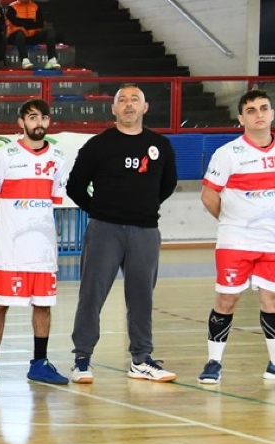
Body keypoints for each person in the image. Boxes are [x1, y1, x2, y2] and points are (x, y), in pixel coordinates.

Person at [197, 90, 275, 384]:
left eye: (264, 108)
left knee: (274, 299)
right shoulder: (228, 153)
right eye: (251, 110)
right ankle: (213, 362)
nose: (259, 114)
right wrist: (232, 222)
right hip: (235, 240)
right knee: (227, 300)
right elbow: (208, 196)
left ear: (272, 113)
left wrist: (268, 218)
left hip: (274, 241)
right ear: (241, 118)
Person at [65, 84, 179, 384]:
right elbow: (74, 186)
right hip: (105, 231)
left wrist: (143, 208)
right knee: (92, 295)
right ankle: (82, 359)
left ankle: (141, 359)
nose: (129, 105)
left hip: (145, 232)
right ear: (114, 109)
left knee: (141, 297)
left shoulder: (160, 145)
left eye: (135, 100)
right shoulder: (98, 145)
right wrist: (101, 210)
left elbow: (168, 184)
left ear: (145, 107)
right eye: (123, 100)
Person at [0, 99, 72, 386]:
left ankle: (39, 363)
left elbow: (52, 201)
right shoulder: (3, 155)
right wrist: (10, 222)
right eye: (32, 117)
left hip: (42, 248)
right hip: (9, 248)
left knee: (43, 305)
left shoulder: (58, 158)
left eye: (43, 117)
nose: (38, 123)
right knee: (0, 304)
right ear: (21, 122)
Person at [5, 0, 60, 70]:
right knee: (19, 32)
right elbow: (16, 22)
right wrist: (31, 22)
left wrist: (23, 22)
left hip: (32, 35)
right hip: (15, 36)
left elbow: (40, 23)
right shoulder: (12, 7)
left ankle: (52, 59)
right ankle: (24, 60)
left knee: (49, 31)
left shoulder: (35, 6)